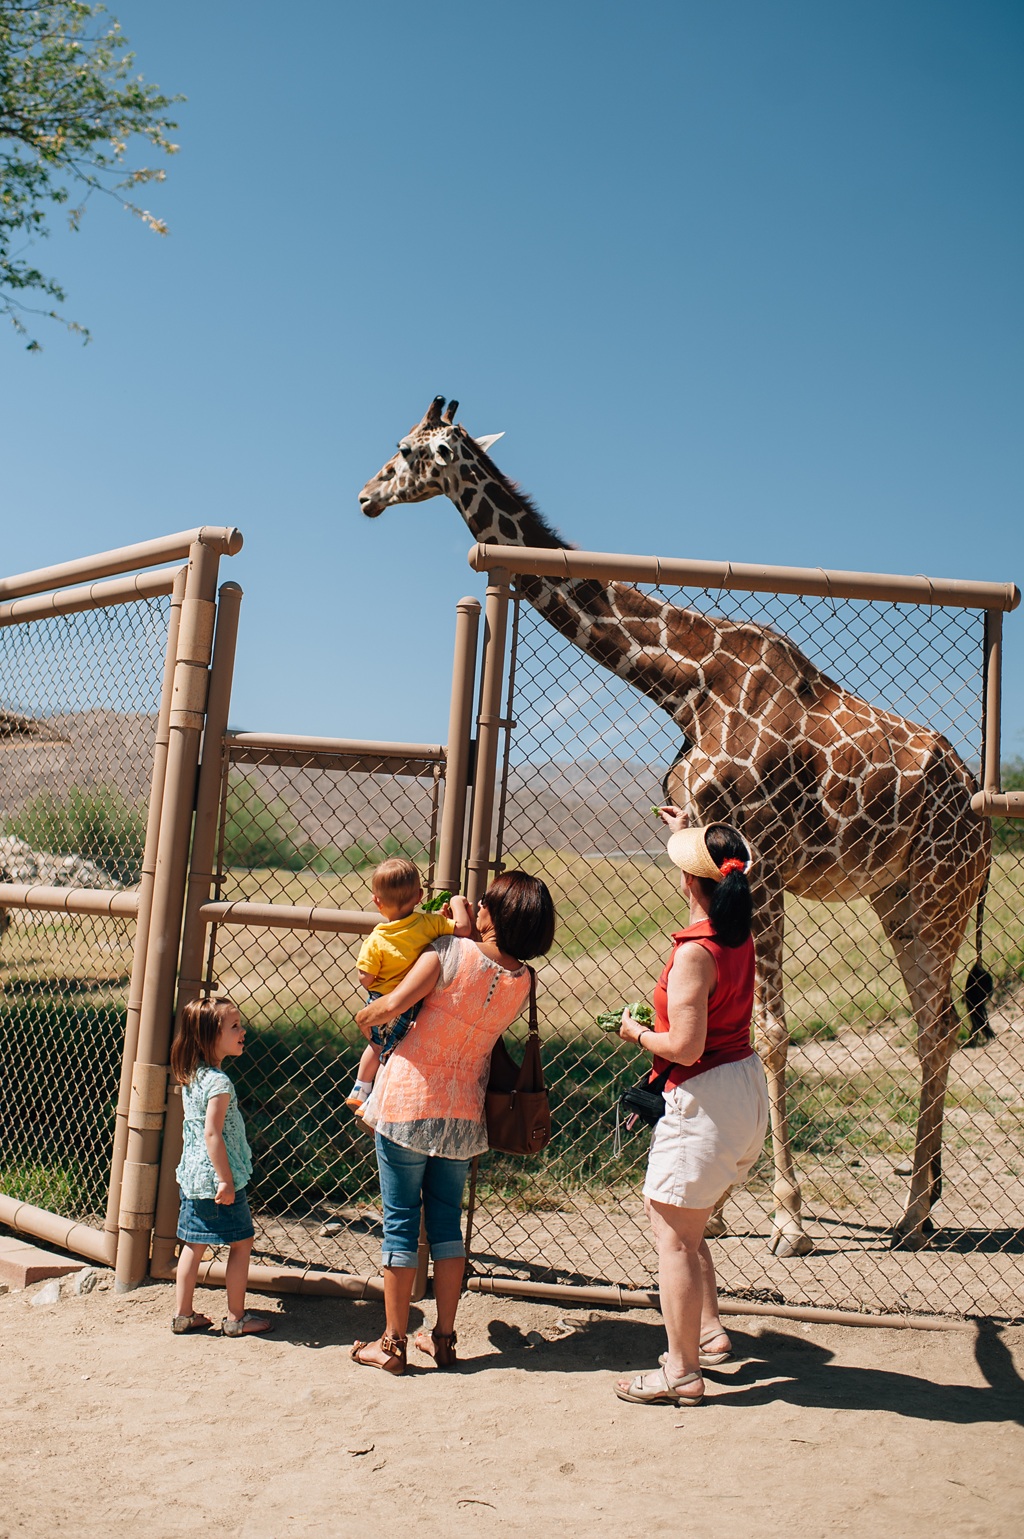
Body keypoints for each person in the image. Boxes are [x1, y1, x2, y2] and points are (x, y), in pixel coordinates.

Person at [349, 870, 556, 1375]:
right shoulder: (523, 981)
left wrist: (366, 1016)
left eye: (487, 902)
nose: (479, 907)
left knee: (400, 1223)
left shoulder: (447, 954)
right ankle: (443, 1339)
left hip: (408, 1102)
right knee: (445, 1225)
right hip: (464, 1112)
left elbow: (391, 1006)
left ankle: (392, 1343)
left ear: (499, 915)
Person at [614, 810, 768, 1407]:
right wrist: (697, 829)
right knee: (683, 1223)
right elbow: (710, 892)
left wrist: (633, 1033)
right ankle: (708, 1333)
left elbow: (684, 1046)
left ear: (690, 880)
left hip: (704, 1096)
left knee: (674, 1237)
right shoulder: (735, 932)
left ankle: (681, 1372)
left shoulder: (693, 955)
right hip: (741, 1087)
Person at [170, 995, 275, 1337]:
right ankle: (235, 1318)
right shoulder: (219, 1083)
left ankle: (183, 1315)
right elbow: (213, 1133)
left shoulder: (192, 1074)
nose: (243, 1031)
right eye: (234, 1026)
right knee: (242, 1243)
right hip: (217, 1179)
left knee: (192, 1245)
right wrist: (226, 1181)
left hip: (192, 1177)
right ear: (209, 1037)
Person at [346, 858, 473, 1110]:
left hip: (381, 1002)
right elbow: (464, 929)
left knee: (377, 1046)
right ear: (419, 896)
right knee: (394, 1053)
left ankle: (360, 1088)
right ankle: (375, 1103)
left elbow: (366, 978)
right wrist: (458, 902)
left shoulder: (377, 938)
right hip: (413, 1003)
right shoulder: (429, 924)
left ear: (376, 901)